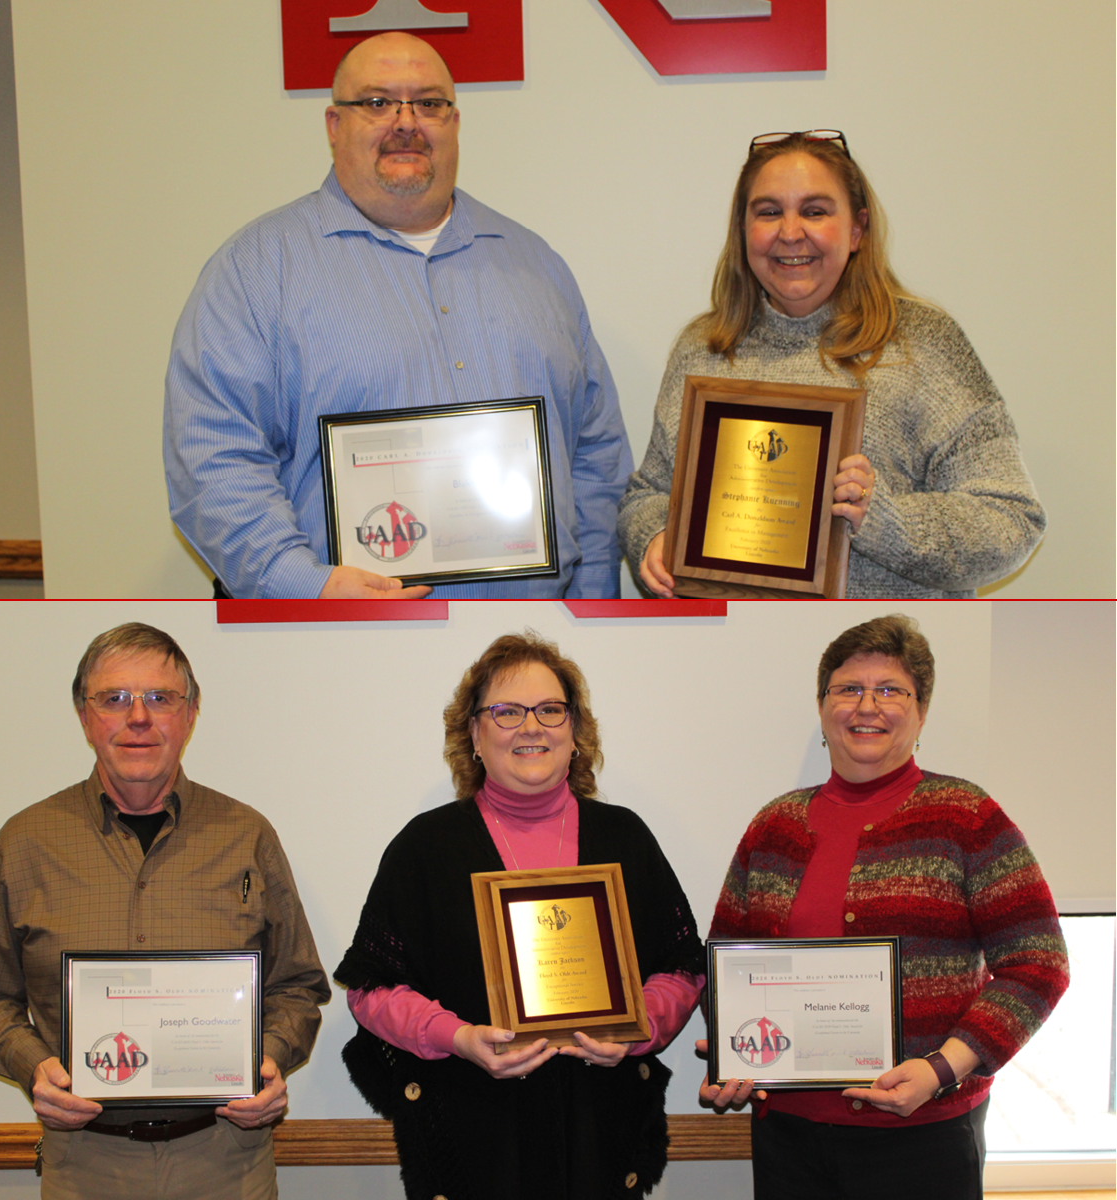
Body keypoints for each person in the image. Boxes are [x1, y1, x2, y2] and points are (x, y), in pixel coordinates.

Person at [165, 31, 631, 600]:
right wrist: (305, 588)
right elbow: (212, 460)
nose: (405, 122)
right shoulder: (257, 270)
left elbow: (595, 454)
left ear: (455, 123)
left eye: (429, 104)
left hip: (529, 654)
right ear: (335, 126)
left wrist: (594, 602)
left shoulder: (537, 265)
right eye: (378, 103)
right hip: (343, 647)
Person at [0, 623, 330, 1200]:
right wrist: (34, 1069)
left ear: (191, 713)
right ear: (84, 717)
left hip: (227, 1160)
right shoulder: (25, 843)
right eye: (114, 699)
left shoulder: (247, 835)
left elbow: (298, 986)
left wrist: (271, 1061)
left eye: (160, 698)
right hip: (84, 1164)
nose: (138, 718)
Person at [699, 614, 1069, 1200]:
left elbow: (1039, 965)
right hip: (788, 1136)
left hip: (924, 1135)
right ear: (822, 709)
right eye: (848, 689)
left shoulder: (966, 817)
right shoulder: (772, 827)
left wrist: (942, 1068)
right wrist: (733, 1047)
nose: (866, 706)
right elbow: (723, 959)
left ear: (921, 713)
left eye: (891, 690)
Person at [334, 632, 705, 1199]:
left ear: (575, 733)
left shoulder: (624, 837)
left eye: (550, 710)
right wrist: (457, 1037)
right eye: (507, 712)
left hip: (598, 1135)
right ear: (474, 735)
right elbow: (371, 988)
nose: (532, 727)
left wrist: (636, 1029)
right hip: (472, 1134)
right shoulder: (425, 848)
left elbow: (683, 968)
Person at [618, 130, 1046, 598]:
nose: (790, 232)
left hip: (876, 657)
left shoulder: (923, 341)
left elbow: (1012, 520)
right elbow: (647, 494)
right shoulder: (702, 347)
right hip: (727, 655)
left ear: (857, 229)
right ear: (743, 230)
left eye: (815, 211)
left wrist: (883, 519)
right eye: (768, 212)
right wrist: (656, 536)